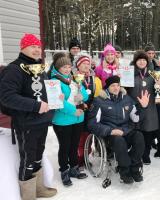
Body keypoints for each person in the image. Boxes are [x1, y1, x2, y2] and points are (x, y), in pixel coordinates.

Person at [0, 33, 57, 200]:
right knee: (28, 159)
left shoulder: (39, 67)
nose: (36, 49)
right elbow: (7, 96)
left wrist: (55, 99)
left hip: (42, 121)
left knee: (39, 154)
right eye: (32, 46)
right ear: (22, 47)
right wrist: (36, 106)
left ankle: (38, 189)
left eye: (38, 46)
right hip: (26, 123)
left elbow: (44, 91)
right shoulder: (14, 69)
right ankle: (28, 195)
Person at [87, 75, 148, 184]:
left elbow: (136, 118)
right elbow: (92, 123)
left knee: (139, 136)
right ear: (107, 87)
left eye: (118, 85)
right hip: (109, 135)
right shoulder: (99, 101)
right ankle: (124, 170)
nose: (116, 88)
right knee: (119, 140)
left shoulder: (126, 99)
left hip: (125, 131)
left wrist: (143, 107)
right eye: (113, 86)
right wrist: (110, 131)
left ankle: (134, 167)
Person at [49, 52, 89, 186]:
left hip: (78, 119)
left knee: (74, 146)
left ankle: (73, 168)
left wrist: (81, 94)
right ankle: (64, 170)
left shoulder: (73, 79)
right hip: (63, 120)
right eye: (64, 67)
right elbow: (57, 102)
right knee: (65, 147)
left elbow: (85, 94)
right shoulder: (54, 81)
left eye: (68, 66)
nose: (67, 69)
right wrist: (74, 111)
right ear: (57, 67)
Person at [127, 51, 159, 165]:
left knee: (148, 131)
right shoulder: (130, 74)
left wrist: (159, 85)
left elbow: (158, 92)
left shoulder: (153, 74)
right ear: (135, 62)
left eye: (144, 60)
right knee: (136, 131)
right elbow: (125, 90)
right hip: (134, 106)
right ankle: (136, 153)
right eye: (139, 60)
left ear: (147, 61)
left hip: (149, 107)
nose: (142, 62)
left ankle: (146, 154)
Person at [73, 55, 102, 169]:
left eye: (88, 63)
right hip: (79, 110)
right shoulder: (73, 78)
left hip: (91, 111)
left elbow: (99, 96)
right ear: (78, 65)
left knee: (88, 136)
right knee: (79, 136)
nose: (86, 66)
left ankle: (86, 157)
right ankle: (78, 159)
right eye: (83, 63)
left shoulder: (95, 79)